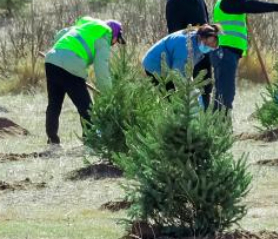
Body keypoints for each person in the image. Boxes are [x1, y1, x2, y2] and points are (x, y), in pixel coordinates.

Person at [209, 0, 278, 112]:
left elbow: (245, 6)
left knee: (223, 91)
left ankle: (218, 125)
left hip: (226, 51)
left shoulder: (230, 0)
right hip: (225, 51)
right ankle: (221, 125)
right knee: (226, 93)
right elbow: (252, 5)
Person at [43, 17, 124, 145]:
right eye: (116, 41)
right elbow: (101, 70)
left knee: (54, 103)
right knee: (87, 108)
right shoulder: (104, 36)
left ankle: (52, 140)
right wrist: (108, 95)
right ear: (114, 34)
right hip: (72, 63)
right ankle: (90, 141)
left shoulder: (85, 27)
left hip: (52, 60)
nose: (114, 44)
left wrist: (60, 53)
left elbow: (60, 34)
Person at [142, 23, 221, 89]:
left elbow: (188, 69)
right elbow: (178, 72)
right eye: (207, 44)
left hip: (169, 66)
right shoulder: (185, 45)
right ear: (200, 37)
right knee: (171, 100)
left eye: (212, 46)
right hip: (154, 64)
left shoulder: (197, 43)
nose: (209, 47)